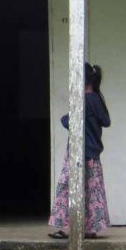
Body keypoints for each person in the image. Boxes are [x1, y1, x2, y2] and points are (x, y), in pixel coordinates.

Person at [48, 63, 111, 239]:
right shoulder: (97, 98)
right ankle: (90, 228)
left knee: (72, 188)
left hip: (80, 152)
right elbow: (106, 121)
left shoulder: (85, 100)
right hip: (93, 152)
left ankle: (70, 228)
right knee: (91, 190)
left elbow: (68, 121)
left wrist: (65, 117)